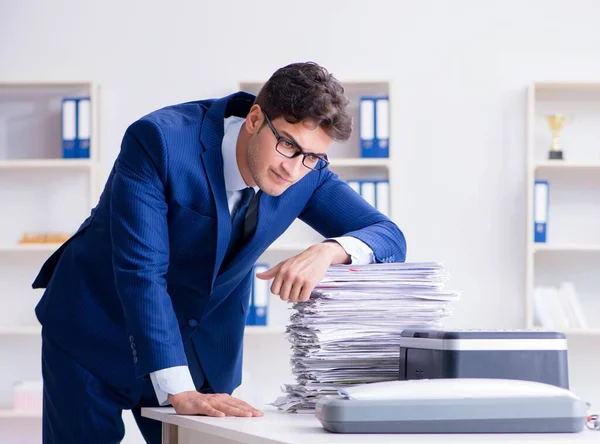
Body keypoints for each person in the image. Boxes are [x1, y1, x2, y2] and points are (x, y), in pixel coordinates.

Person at [32, 61, 407, 443]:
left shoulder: (307, 174)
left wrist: (330, 250)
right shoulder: (159, 142)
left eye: (313, 157)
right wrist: (178, 388)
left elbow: (390, 237)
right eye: (289, 145)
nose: (294, 169)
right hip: (95, 328)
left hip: (201, 349)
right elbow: (142, 271)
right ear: (255, 118)